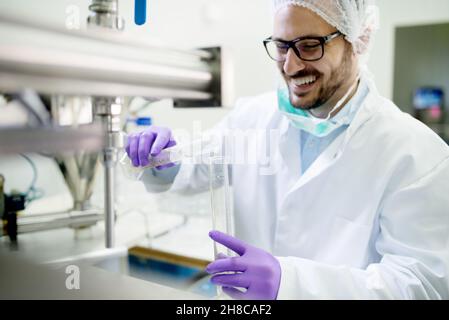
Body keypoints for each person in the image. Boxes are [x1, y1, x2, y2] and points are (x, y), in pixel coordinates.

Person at [126, 0, 449, 299]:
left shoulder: (416, 153)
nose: (291, 65)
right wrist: (164, 159)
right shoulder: (251, 118)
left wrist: (292, 283)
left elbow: (419, 285)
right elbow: (194, 168)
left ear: (357, 40)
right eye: (282, 46)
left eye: (310, 46)